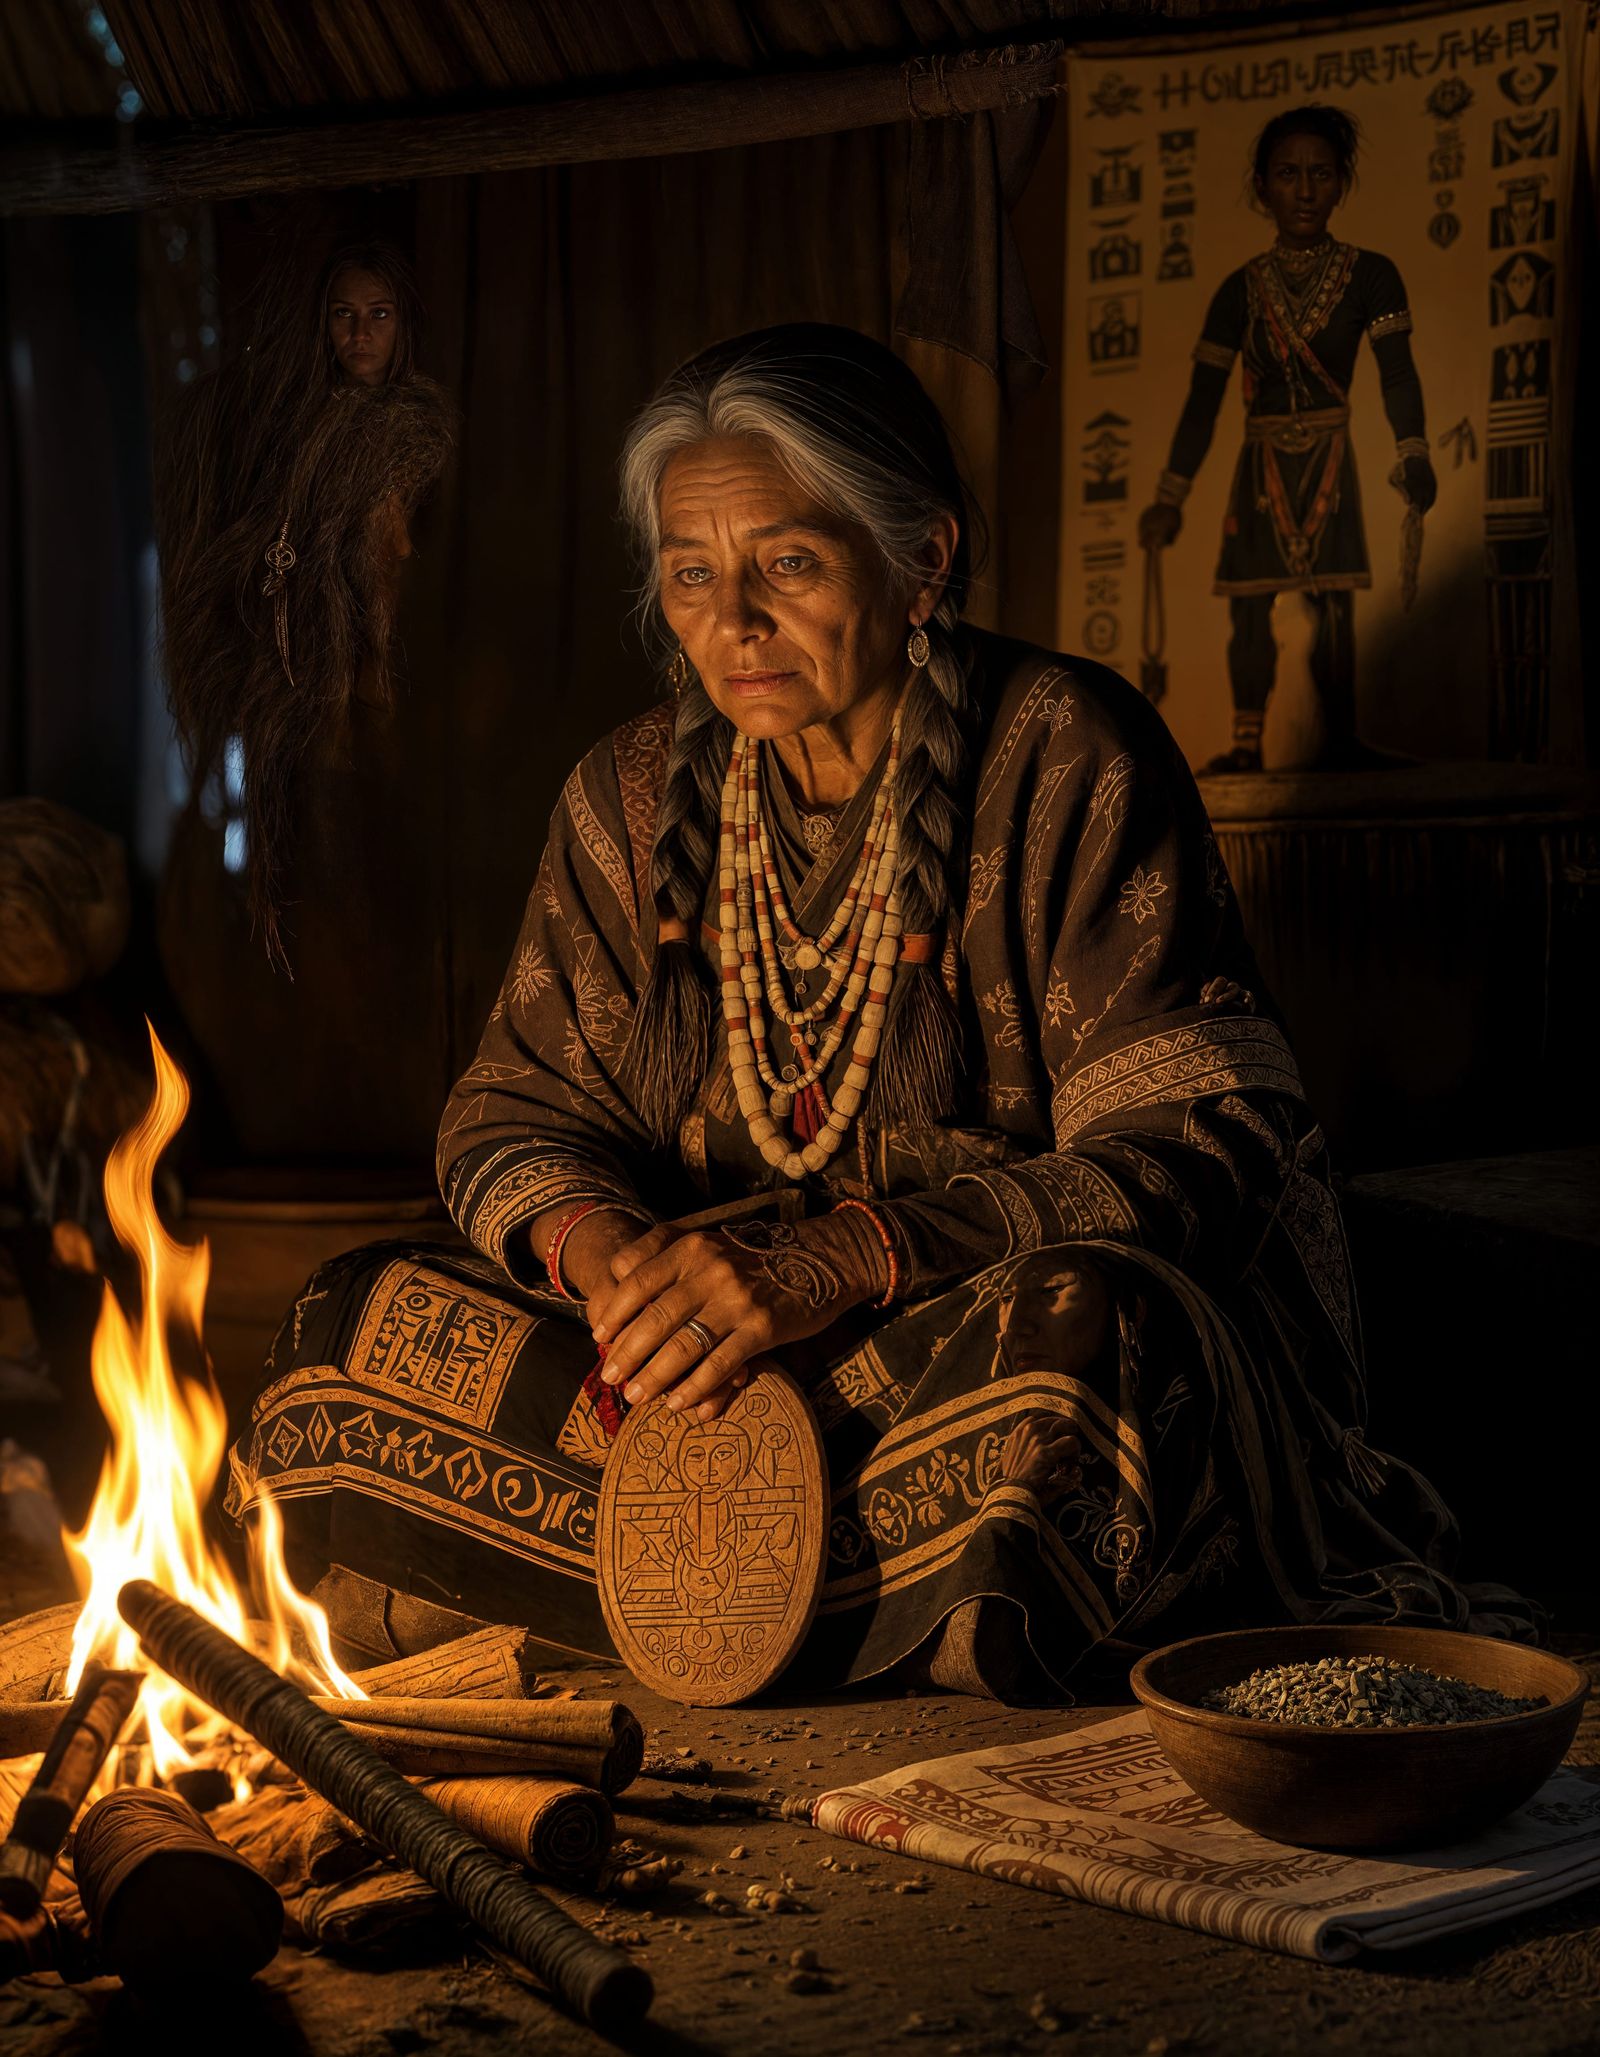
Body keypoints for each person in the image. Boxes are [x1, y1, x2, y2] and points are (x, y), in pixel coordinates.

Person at [227, 324, 1526, 1702]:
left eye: (788, 563)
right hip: (698, 1370)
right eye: (690, 572)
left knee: (1090, 1339)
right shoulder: (627, 793)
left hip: (943, 1341)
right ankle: (886, 1613)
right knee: (351, 1318)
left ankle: (570, 1588)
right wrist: (615, 1272)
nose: (734, 620)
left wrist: (840, 1262)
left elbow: (1203, 1137)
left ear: (922, 560)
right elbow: (513, 1111)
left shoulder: (1064, 752)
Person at [156, 239, 454, 964]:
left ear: (403, 323)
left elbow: (400, 546)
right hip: (300, 662)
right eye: (343, 315)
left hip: (384, 652)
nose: (360, 334)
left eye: (378, 315)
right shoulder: (303, 421)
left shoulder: (417, 423)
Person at [1137, 107, 1437, 775]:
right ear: (1262, 185)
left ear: (1341, 184)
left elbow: (1398, 373)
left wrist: (1413, 452)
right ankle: (1247, 746)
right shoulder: (1238, 292)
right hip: (1262, 464)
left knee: (1334, 606)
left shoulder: (1371, 276)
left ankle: (1340, 741)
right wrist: (1169, 498)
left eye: (1321, 175)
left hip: (1330, 455)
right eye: (1288, 174)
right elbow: (1203, 403)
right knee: (1249, 605)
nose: (1305, 191)